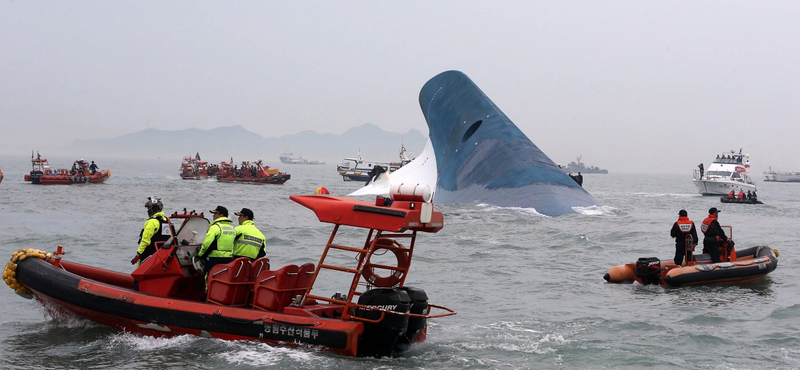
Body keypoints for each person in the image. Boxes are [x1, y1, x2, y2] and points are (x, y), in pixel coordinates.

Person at [131, 197, 171, 266]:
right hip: (162, 255)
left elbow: (145, 240)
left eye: (149, 208)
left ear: (154, 208)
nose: (148, 211)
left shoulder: (151, 222)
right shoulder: (166, 220)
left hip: (149, 254)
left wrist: (138, 254)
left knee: (140, 270)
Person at [198, 205, 235, 275]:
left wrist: (200, 255)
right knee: (222, 279)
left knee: (209, 278)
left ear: (221, 215)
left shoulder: (215, 227)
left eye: (215, 213)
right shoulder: (232, 228)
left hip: (215, 259)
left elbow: (206, 245)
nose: (213, 216)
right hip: (229, 259)